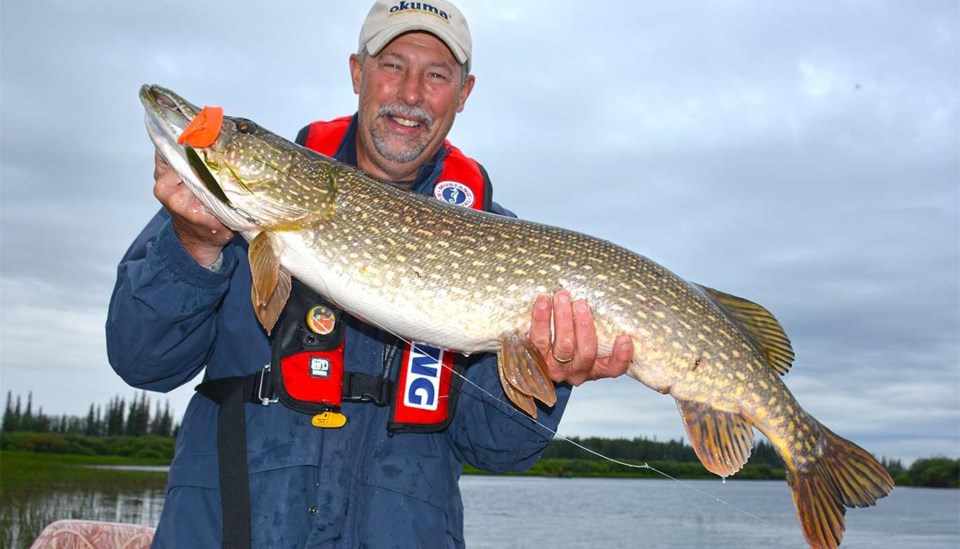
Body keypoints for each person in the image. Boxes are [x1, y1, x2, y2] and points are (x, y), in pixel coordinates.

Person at [107, 1, 634, 547]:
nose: (410, 94)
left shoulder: (496, 241)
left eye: (436, 75)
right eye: (392, 65)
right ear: (358, 72)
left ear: (463, 93)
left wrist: (549, 371)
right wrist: (193, 247)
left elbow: (495, 449)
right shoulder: (217, 215)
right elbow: (141, 361)